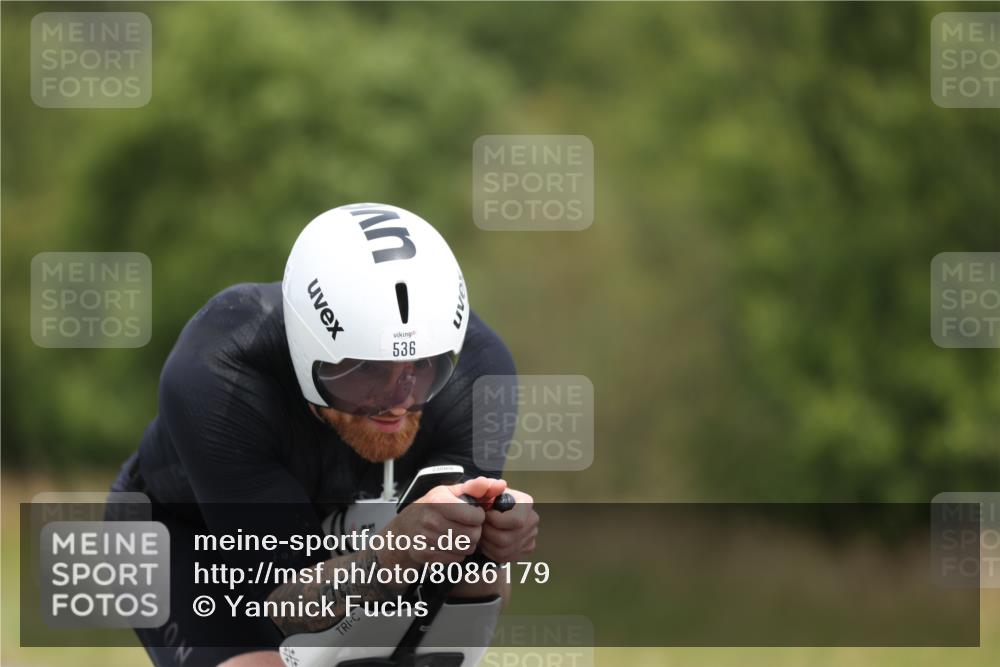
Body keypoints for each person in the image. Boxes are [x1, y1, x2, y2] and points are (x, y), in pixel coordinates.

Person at [109, 203, 538, 667]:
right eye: (365, 372)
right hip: (188, 533)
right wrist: (387, 558)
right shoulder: (219, 372)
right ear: (305, 349)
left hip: (354, 529)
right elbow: (286, 603)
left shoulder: (478, 371)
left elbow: (467, 587)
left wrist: (494, 546)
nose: (395, 400)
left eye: (421, 370)